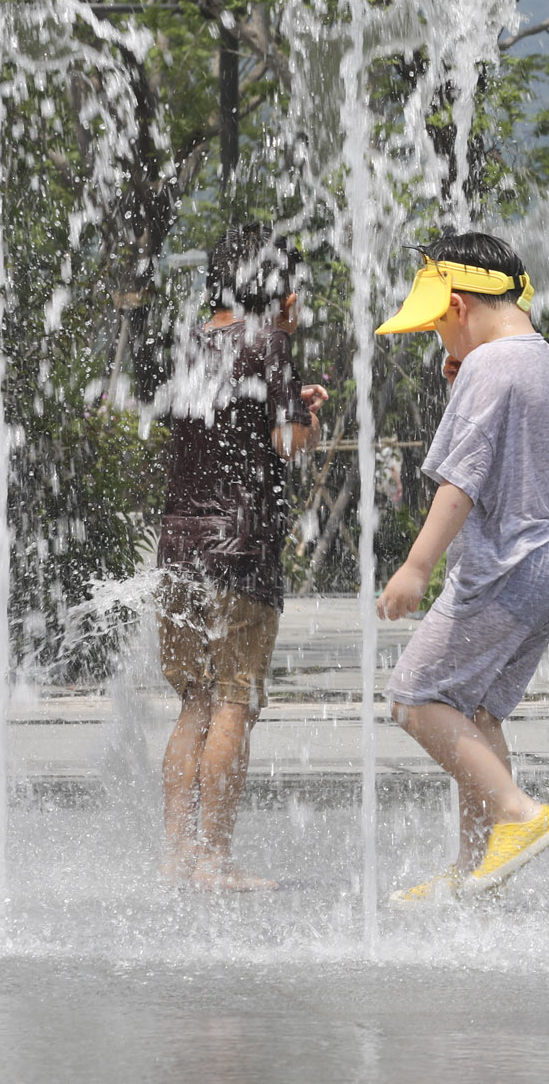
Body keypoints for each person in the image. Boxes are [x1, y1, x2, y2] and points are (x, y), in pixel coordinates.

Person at [374, 231, 549, 905]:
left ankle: (518, 816)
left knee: (414, 696)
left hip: (504, 571)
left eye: (437, 327)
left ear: (458, 305)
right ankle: (476, 874)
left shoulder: (490, 369)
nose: (439, 344)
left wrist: (415, 567)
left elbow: (459, 483)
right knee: (480, 718)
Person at [157, 226, 326, 892]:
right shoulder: (272, 342)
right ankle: (214, 861)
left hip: (177, 547)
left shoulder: (188, 341)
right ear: (279, 289)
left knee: (193, 703)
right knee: (234, 702)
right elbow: (288, 446)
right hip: (242, 550)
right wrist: (306, 418)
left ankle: (176, 856)